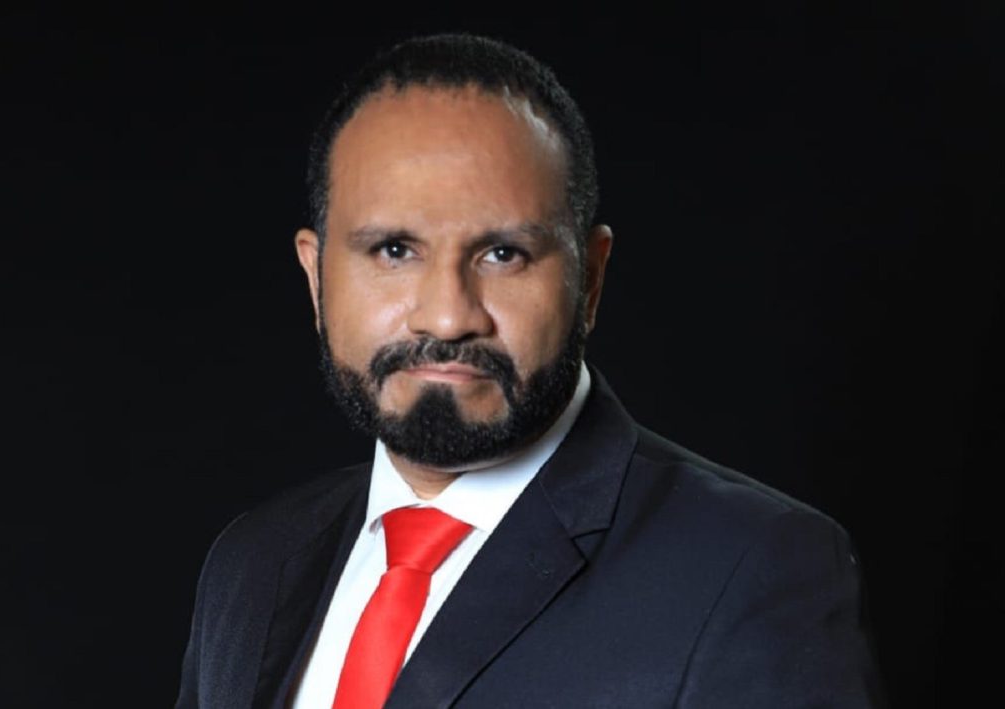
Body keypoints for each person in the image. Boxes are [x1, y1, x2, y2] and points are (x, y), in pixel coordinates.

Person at [176, 33, 883, 708]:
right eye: (394, 250)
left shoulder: (753, 569)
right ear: (315, 277)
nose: (447, 317)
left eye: (503, 254)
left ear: (591, 280)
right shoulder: (252, 561)